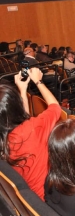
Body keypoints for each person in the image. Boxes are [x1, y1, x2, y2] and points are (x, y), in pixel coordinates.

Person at [0, 68, 61, 200]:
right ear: (17, 105)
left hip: (30, 200)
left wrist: (22, 90)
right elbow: (55, 107)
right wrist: (38, 81)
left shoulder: (8, 135)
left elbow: (24, 119)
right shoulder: (33, 128)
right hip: (50, 195)